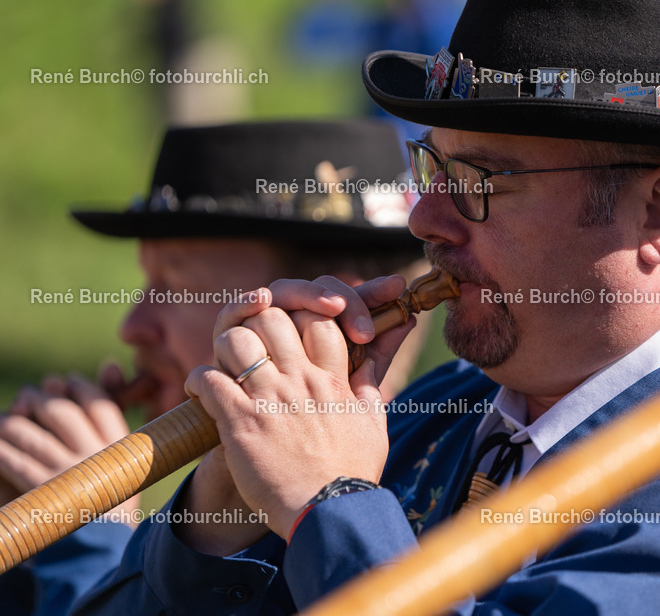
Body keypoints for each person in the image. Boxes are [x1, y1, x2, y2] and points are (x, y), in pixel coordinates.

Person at [72, 0, 660, 615]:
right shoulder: (433, 410)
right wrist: (226, 509)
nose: (424, 218)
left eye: (478, 180)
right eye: (431, 169)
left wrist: (329, 501)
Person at [0, 119, 427, 615]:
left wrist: (83, 537)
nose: (133, 325)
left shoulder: (446, 497)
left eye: (176, 283)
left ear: (325, 302)